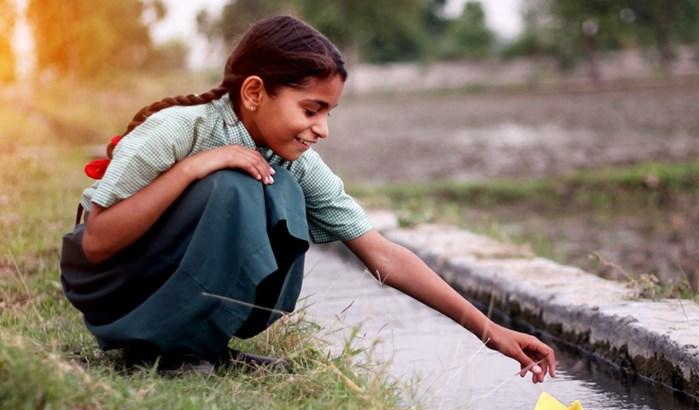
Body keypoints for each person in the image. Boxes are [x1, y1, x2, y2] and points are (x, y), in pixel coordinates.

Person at [60, 15, 556, 381]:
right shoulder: (176, 131)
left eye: (329, 113)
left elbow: (382, 256)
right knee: (234, 186)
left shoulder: (293, 160)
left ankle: (200, 346)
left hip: (160, 283)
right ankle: (168, 349)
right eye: (311, 109)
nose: (321, 129)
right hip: (115, 288)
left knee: (282, 193)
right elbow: (98, 243)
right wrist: (196, 166)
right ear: (255, 93)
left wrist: (491, 332)